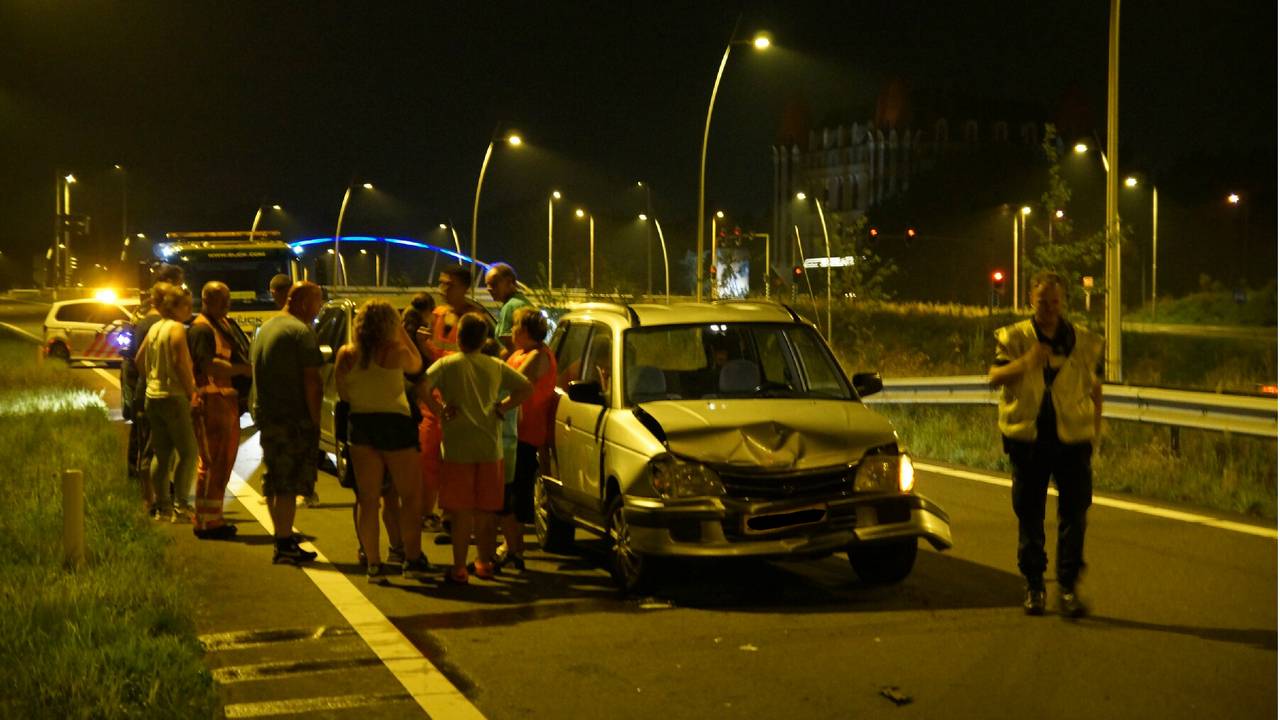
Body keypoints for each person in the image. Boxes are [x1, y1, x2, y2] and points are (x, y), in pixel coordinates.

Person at [988, 271, 1104, 618]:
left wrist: (1095, 434)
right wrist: (1027, 362)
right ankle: (1035, 585)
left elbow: (1096, 390)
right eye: (1043, 301)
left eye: (1055, 301)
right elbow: (994, 377)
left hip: (1073, 440)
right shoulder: (1015, 337)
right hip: (1028, 439)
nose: (1050, 308)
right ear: (1030, 301)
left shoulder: (1085, 341)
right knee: (1030, 514)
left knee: (1075, 514)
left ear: (1064, 302)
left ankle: (1067, 587)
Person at [421, 313, 531, 584]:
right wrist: (503, 406)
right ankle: (484, 562)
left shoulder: (447, 365)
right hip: (490, 448)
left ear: (458, 337)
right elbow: (526, 387)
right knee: (486, 512)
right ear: (484, 340)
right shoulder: (494, 365)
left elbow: (421, 387)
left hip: (458, 448)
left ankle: (459, 568)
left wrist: (439, 409)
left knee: (460, 513)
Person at [337, 300, 433, 583]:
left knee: (367, 499)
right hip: (396, 425)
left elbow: (344, 394)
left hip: (362, 426)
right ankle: (412, 559)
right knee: (410, 496)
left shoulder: (346, 354)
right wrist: (403, 333)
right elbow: (417, 365)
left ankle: (374, 565)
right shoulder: (396, 351)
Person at [251, 281, 325, 565]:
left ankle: (281, 535)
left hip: (268, 415)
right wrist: (315, 419)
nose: (318, 309)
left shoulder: (267, 328)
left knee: (274, 479)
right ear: (305, 303)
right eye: (317, 302)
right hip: (293, 419)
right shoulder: (301, 331)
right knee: (288, 484)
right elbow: (312, 381)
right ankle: (283, 544)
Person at [419, 265, 488, 543]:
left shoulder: (475, 319)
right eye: (441, 283)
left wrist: (428, 349)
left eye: (449, 284)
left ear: (464, 287)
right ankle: (431, 512)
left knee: (456, 464)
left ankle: (453, 517)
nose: (443, 289)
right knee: (428, 458)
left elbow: (467, 356)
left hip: (459, 401)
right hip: (434, 399)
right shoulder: (435, 315)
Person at [188, 281, 252, 539]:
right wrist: (243, 370)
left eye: (228, 299)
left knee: (222, 463)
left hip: (224, 400)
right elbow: (207, 366)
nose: (227, 304)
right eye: (221, 299)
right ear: (206, 300)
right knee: (213, 463)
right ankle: (205, 522)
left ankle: (214, 518)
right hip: (212, 401)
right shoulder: (203, 329)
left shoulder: (220, 324)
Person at [495, 307, 556, 572]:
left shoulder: (538, 356)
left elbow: (517, 385)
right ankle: (511, 545)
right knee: (506, 488)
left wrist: (499, 408)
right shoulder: (519, 353)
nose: (512, 330)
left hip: (525, 431)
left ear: (528, 330)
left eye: (517, 325)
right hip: (509, 431)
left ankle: (514, 548)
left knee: (515, 491)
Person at [135, 282, 199, 523]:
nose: (190, 309)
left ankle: (163, 508)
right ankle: (181, 506)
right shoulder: (176, 329)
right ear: (179, 307)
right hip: (174, 397)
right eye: (188, 305)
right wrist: (191, 390)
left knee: (161, 454)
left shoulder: (155, 328)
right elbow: (180, 361)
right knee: (189, 452)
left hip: (153, 396)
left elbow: (139, 359)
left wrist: (152, 377)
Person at [123, 263, 184, 514]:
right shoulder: (156, 323)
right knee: (155, 448)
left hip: (145, 391)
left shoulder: (144, 317)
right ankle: (153, 501)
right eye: (177, 286)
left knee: (152, 446)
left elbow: (133, 361)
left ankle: (155, 497)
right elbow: (139, 361)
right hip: (154, 393)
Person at [484, 262, 532, 357]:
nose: (488, 289)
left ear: (509, 282)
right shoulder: (523, 302)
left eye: (493, 284)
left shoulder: (510, 307)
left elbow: (511, 349)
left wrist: (490, 363)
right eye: (487, 284)